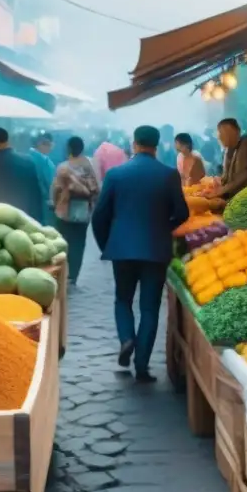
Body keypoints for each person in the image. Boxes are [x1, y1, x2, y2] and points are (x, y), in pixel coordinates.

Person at [91, 126, 189, 384]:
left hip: (122, 250)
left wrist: (108, 244)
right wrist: (162, 228)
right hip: (156, 250)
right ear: (156, 145)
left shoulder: (116, 174)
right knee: (149, 308)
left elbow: (99, 215)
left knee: (122, 300)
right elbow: (182, 213)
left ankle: (126, 339)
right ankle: (142, 366)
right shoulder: (169, 175)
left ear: (134, 144)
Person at [52, 136, 100, 284]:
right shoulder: (89, 166)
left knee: (63, 241)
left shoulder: (63, 167)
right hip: (83, 211)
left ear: (68, 149)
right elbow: (96, 189)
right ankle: (74, 274)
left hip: (64, 211)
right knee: (79, 243)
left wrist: (55, 203)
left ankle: (63, 272)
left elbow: (56, 189)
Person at [211, 118, 247, 199]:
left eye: (224, 133)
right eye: (219, 133)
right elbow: (226, 178)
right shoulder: (228, 150)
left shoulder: (246, 145)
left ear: (237, 132)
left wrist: (220, 191)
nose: (220, 137)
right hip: (236, 196)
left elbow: (241, 178)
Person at [28, 132, 57, 225]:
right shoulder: (41, 161)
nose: (51, 147)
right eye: (50, 144)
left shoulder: (28, 157)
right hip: (43, 206)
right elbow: (49, 183)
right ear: (42, 143)